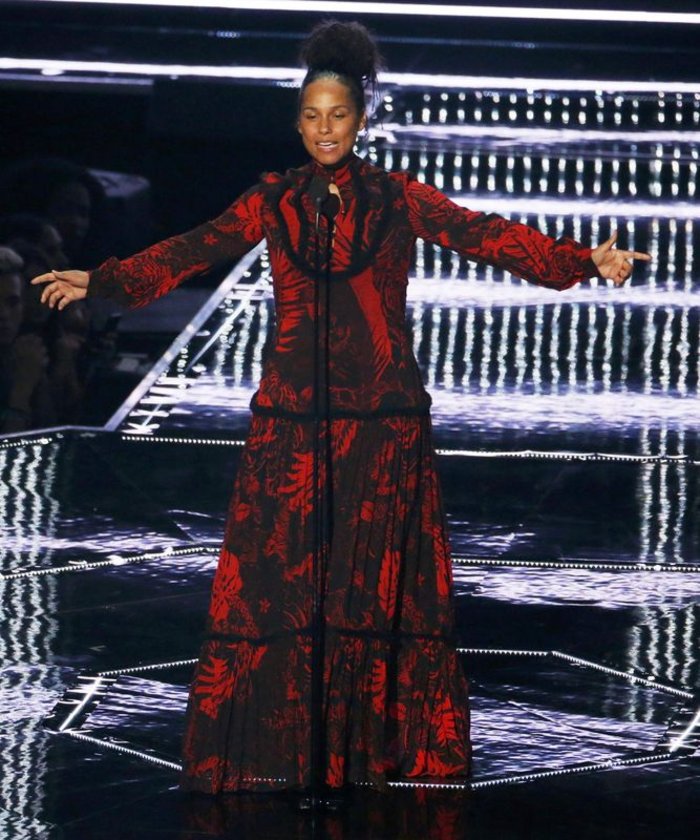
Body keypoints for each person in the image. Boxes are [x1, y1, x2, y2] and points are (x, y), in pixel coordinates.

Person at [32, 21, 650, 793]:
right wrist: (104, 280)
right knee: (286, 585)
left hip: (382, 420)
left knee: (368, 585)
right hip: (293, 418)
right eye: (312, 116)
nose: (326, 129)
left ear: (361, 120)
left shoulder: (399, 198)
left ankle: (365, 748)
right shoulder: (273, 200)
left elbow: (484, 235)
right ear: (298, 123)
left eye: (340, 115)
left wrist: (582, 261)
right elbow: (194, 247)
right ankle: (286, 745)